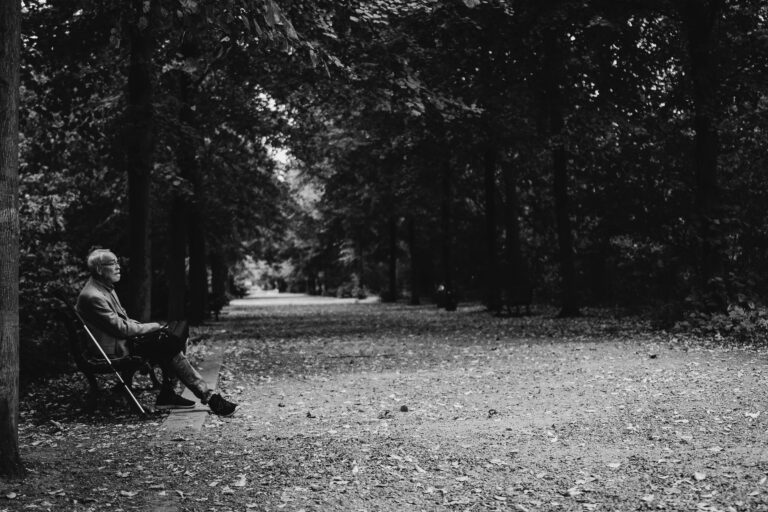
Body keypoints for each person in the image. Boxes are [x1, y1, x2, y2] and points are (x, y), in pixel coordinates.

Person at [76, 248, 237, 416]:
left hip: (122, 341)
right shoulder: (93, 296)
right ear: (99, 269)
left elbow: (123, 322)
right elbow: (122, 328)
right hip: (113, 350)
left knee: (176, 335)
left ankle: (171, 393)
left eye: (117, 262)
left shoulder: (104, 287)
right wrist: (152, 327)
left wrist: (148, 329)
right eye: (112, 263)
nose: (118, 267)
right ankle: (205, 397)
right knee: (169, 342)